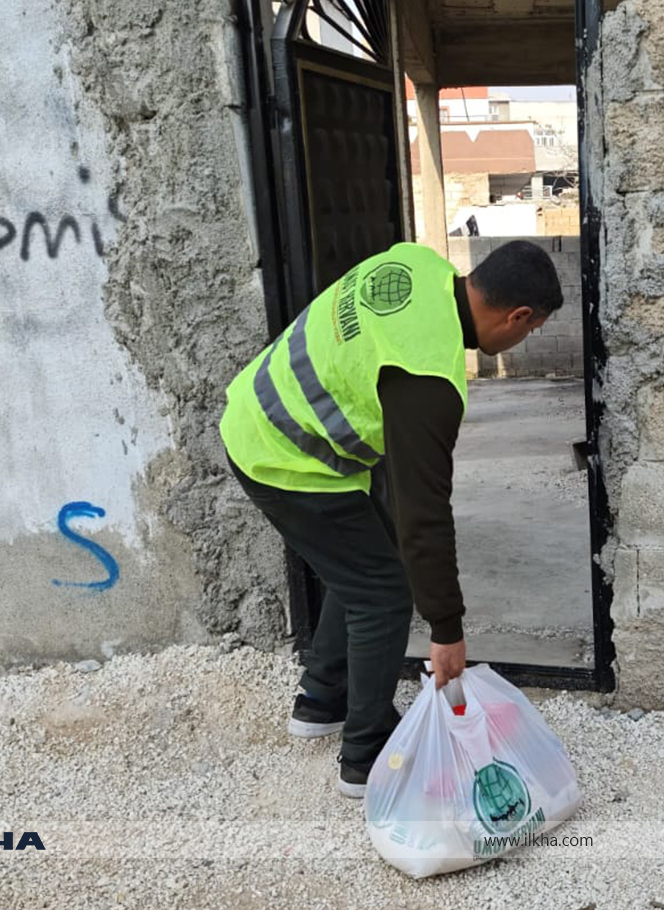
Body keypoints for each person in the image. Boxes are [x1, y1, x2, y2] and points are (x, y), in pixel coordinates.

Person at [218, 239, 562, 796]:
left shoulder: (417, 263)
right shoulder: (428, 376)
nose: (525, 338)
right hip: (285, 458)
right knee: (382, 591)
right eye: (532, 329)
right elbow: (423, 513)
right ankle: (366, 753)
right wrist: (446, 629)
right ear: (516, 315)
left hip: (258, 415)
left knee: (361, 567)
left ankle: (321, 701)